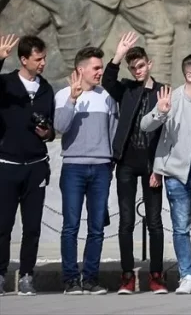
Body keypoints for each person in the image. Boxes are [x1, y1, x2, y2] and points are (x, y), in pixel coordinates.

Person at [140, 54, 191, 295]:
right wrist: (161, 113)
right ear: (189, 76)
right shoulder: (172, 98)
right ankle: (186, 276)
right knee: (181, 228)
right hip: (178, 176)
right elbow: (145, 125)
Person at [102, 33, 167, 295]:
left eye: (140, 66)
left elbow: (166, 134)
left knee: (154, 222)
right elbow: (108, 81)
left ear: (149, 64)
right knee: (126, 221)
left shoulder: (162, 90)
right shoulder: (126, 89)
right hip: (127, 164)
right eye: (133, 68)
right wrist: (118, 55)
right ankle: (127, 276)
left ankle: (156, 276)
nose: (137, 71)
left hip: (151, 165)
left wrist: (159, 169)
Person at [53, 46, 117, 295]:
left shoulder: (107, 96)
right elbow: (60, 126)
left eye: (101, 67)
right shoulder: (63, 95)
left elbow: (112, 131)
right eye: (96, 68)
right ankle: (70, 280)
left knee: (96, 227)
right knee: (70, 225)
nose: (100, 72)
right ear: (81, 70)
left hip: (101, 168)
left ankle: (90, 278)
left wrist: (110, 162)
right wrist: (72, 99)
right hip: (73, 168)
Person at [0, 35, 56, 297]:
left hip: (36, 165)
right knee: (3, 225)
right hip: (7, 164)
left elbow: (51, 127)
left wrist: (48, 134)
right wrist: (0, 58)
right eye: (38, 59)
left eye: (44, 58)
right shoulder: (7, 83)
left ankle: (27, 276)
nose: (43, 63)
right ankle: (1, 274)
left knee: (32, 227)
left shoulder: (46, 88)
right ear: (24, 60)